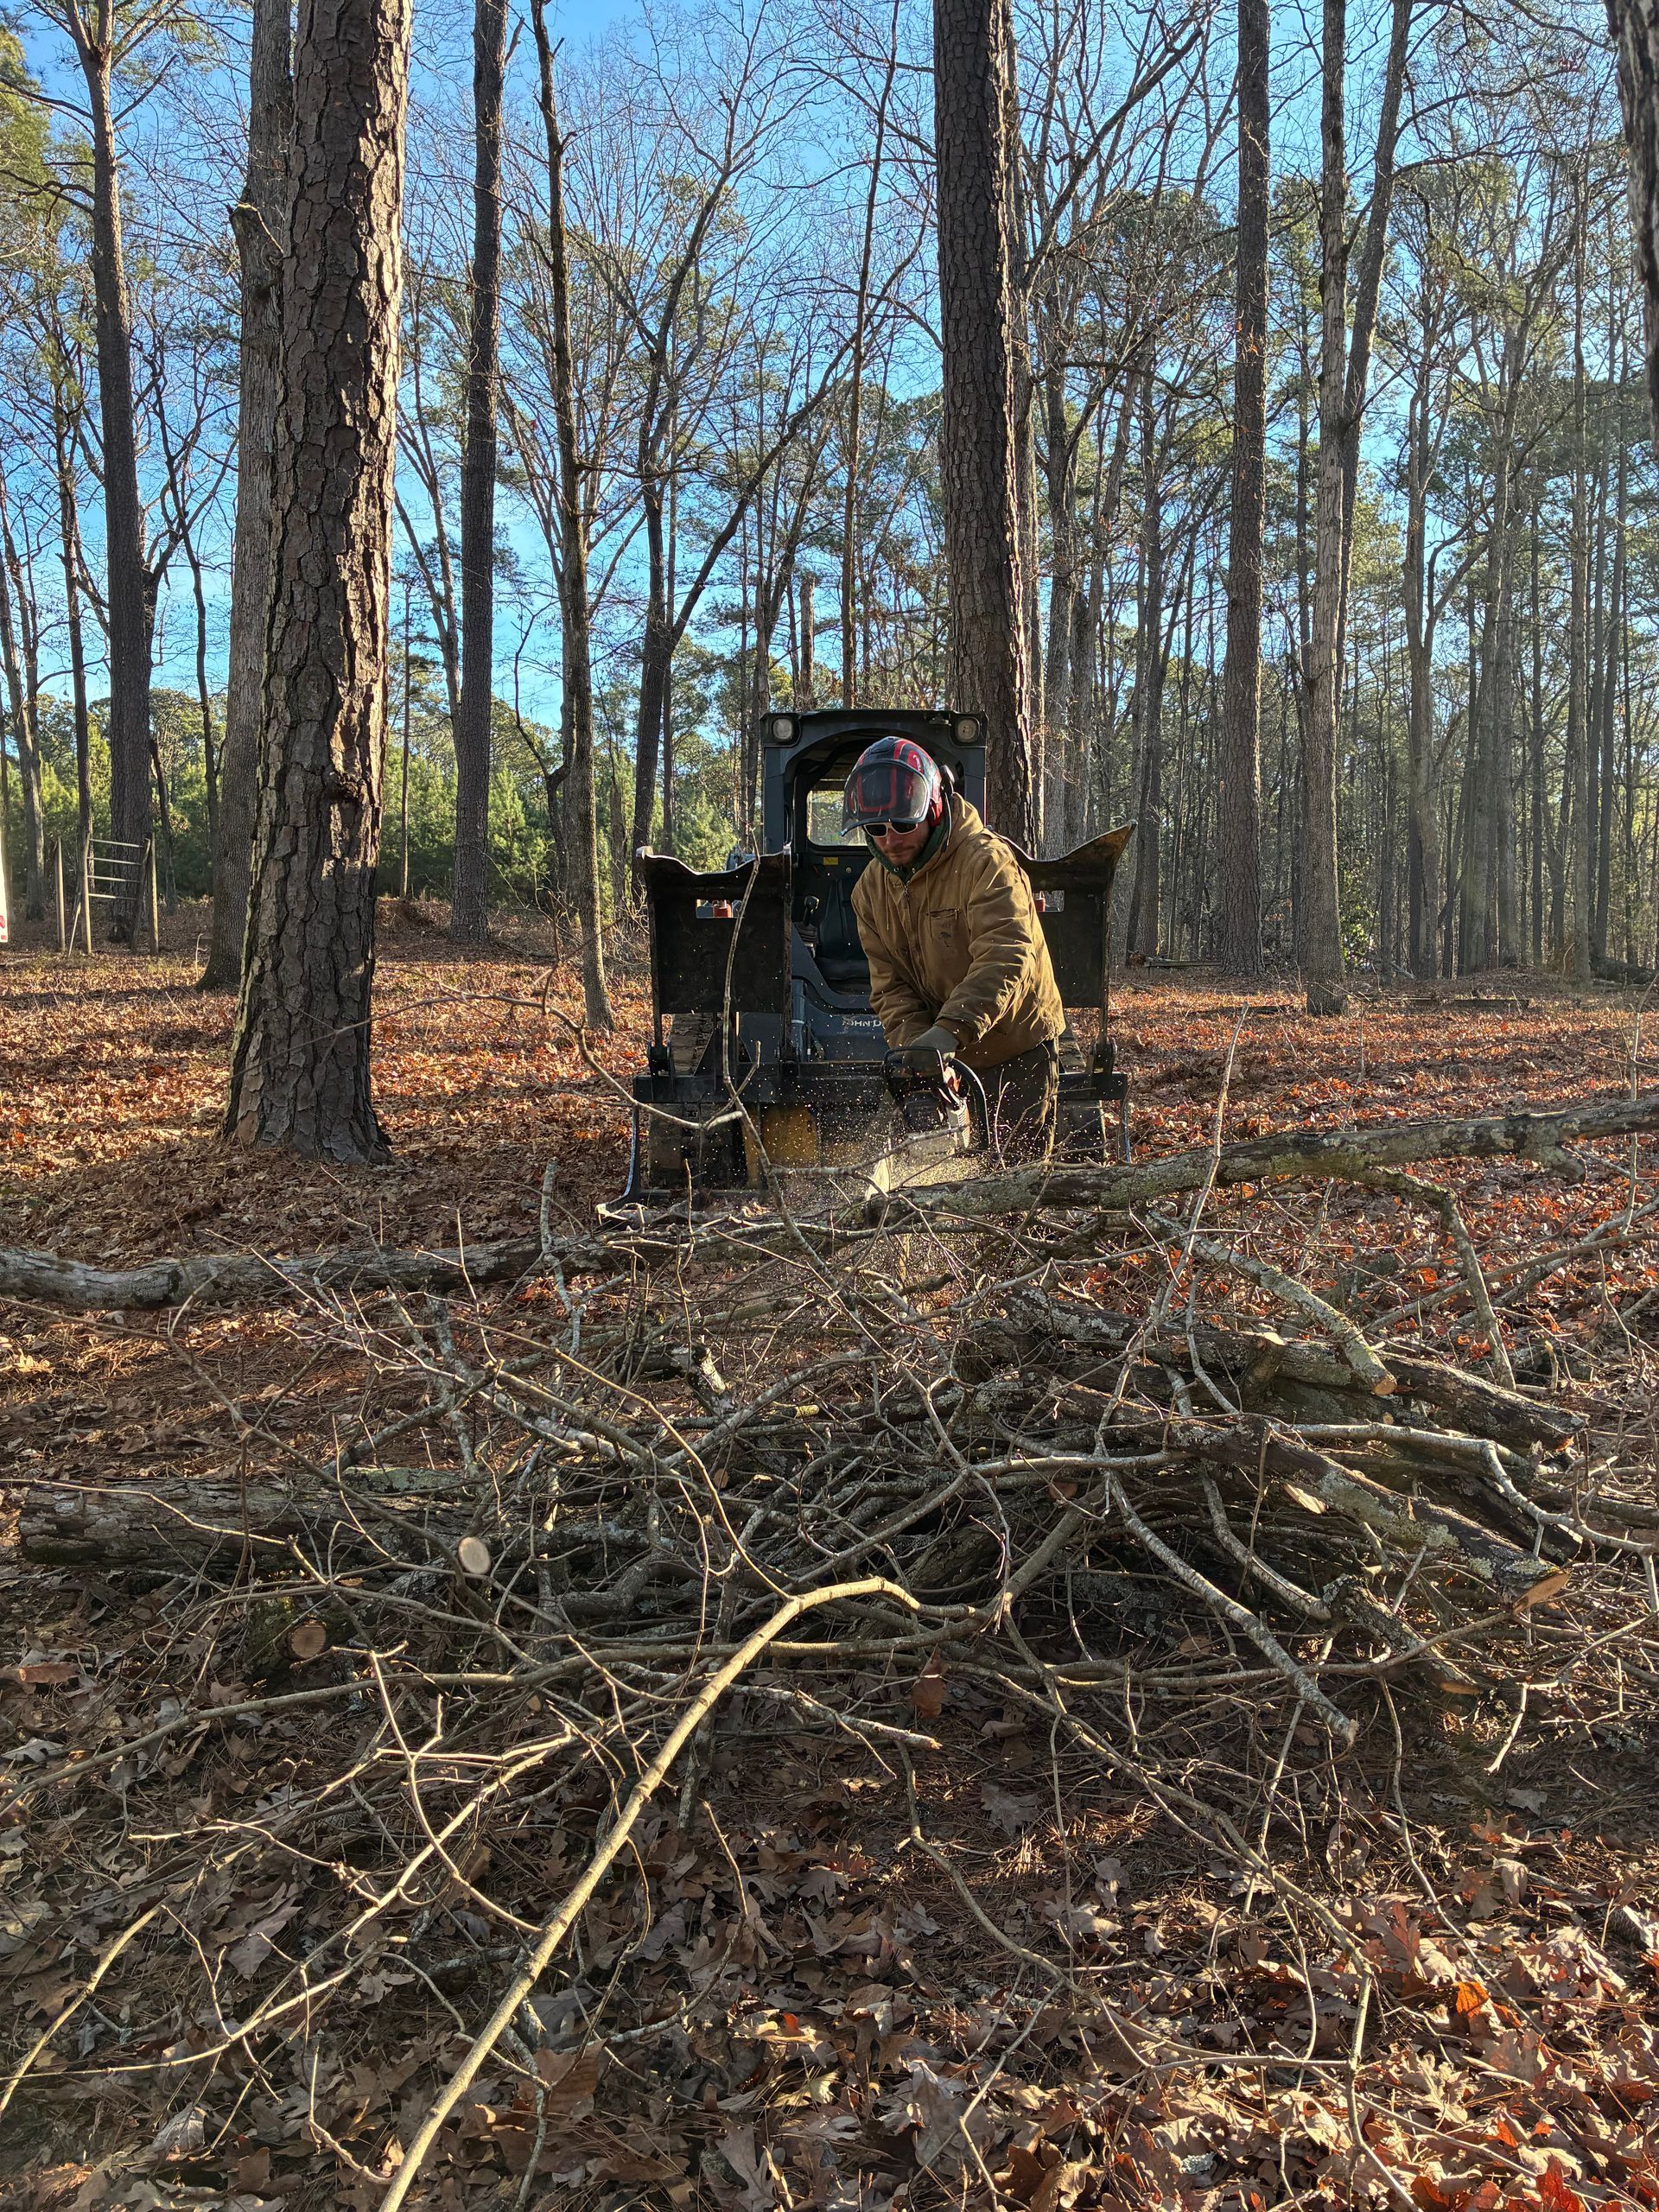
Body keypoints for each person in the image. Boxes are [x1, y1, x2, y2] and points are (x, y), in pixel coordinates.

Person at [844, 734, 1064, 1162]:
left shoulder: (986, 862)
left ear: (934, 808)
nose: (890, 839)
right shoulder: (869, 892)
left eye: (903, 824)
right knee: (952, 1182)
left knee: (1014, 1179)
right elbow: (891, 989)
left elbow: (1005, 957)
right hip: (948, 1046)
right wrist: (919, 1053)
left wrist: (946, 1035)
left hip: (1016, 1043)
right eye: (876, 828)